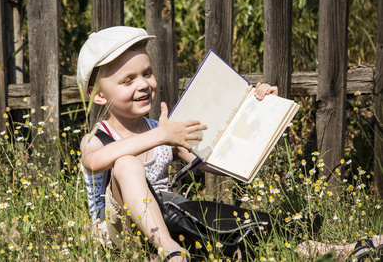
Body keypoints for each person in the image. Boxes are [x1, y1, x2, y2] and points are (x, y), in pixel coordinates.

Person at [77, 26, 278, 261]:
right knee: (126, 164)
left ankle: (298, 243)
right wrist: (162, 136)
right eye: (127, 80)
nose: (142, 84)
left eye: (147, 73)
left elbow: (215, 162)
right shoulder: (96, 139)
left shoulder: (161, 130)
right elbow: (93, 162)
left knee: (237, 234)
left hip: (165, 219)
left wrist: (259, 111)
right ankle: (170, 250)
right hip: (118, 232)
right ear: (98, 95)